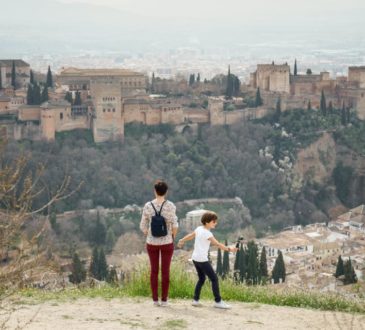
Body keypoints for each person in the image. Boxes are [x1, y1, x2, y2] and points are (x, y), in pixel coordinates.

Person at [178, 211, 237, 309]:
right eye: (214, 221)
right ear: (207, 222)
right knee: (214, 279)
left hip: (195, 258)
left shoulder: (199, 229)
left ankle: (195, 300)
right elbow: (217, 244)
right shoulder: (207, 233)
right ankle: (218, 301)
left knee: (201, 279)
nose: (215, 223)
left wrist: (182, 240)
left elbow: (191, 236)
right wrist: (230, 249)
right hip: (202, 259)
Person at [140, 180, 178, 307]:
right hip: (167, 242)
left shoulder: (148, 206)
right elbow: (175, 224)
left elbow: (143, 226)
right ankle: (164, 300)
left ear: (154, 191)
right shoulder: (171, 206)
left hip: (151, 243)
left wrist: (149, 234)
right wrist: (172, 237)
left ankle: (155, 300)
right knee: (165, 271)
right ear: (166, 192)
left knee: (154, 271)